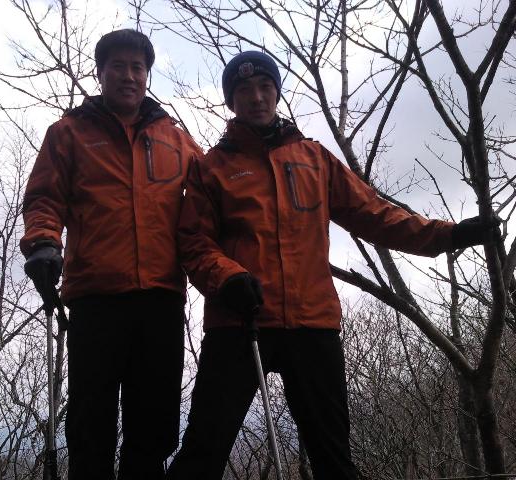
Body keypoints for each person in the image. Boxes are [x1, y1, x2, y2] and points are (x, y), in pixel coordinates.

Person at [167, 51, 500, 480]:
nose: (257, 97)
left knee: (334, 461)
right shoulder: (212, 168)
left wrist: (448, 235)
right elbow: (193, 242)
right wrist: (227, 278)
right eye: (244, 90)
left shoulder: (314, 158)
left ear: (277, 93)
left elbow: (375, 214)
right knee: (201, 454)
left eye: (265, 87)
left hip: (313, 323)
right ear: (232, 100)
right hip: (239, 321)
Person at [21, 29, 201, 480]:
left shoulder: (175, 139)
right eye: (118, 66)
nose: (128, 75)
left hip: (160, 297)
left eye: (137, 68)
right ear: (100, 73)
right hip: (96, 297)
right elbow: (44, 198)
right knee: (90, 423)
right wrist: (43, 243)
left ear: (147, 76)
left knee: (154, 425)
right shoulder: (69, 133)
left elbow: (215, 197)